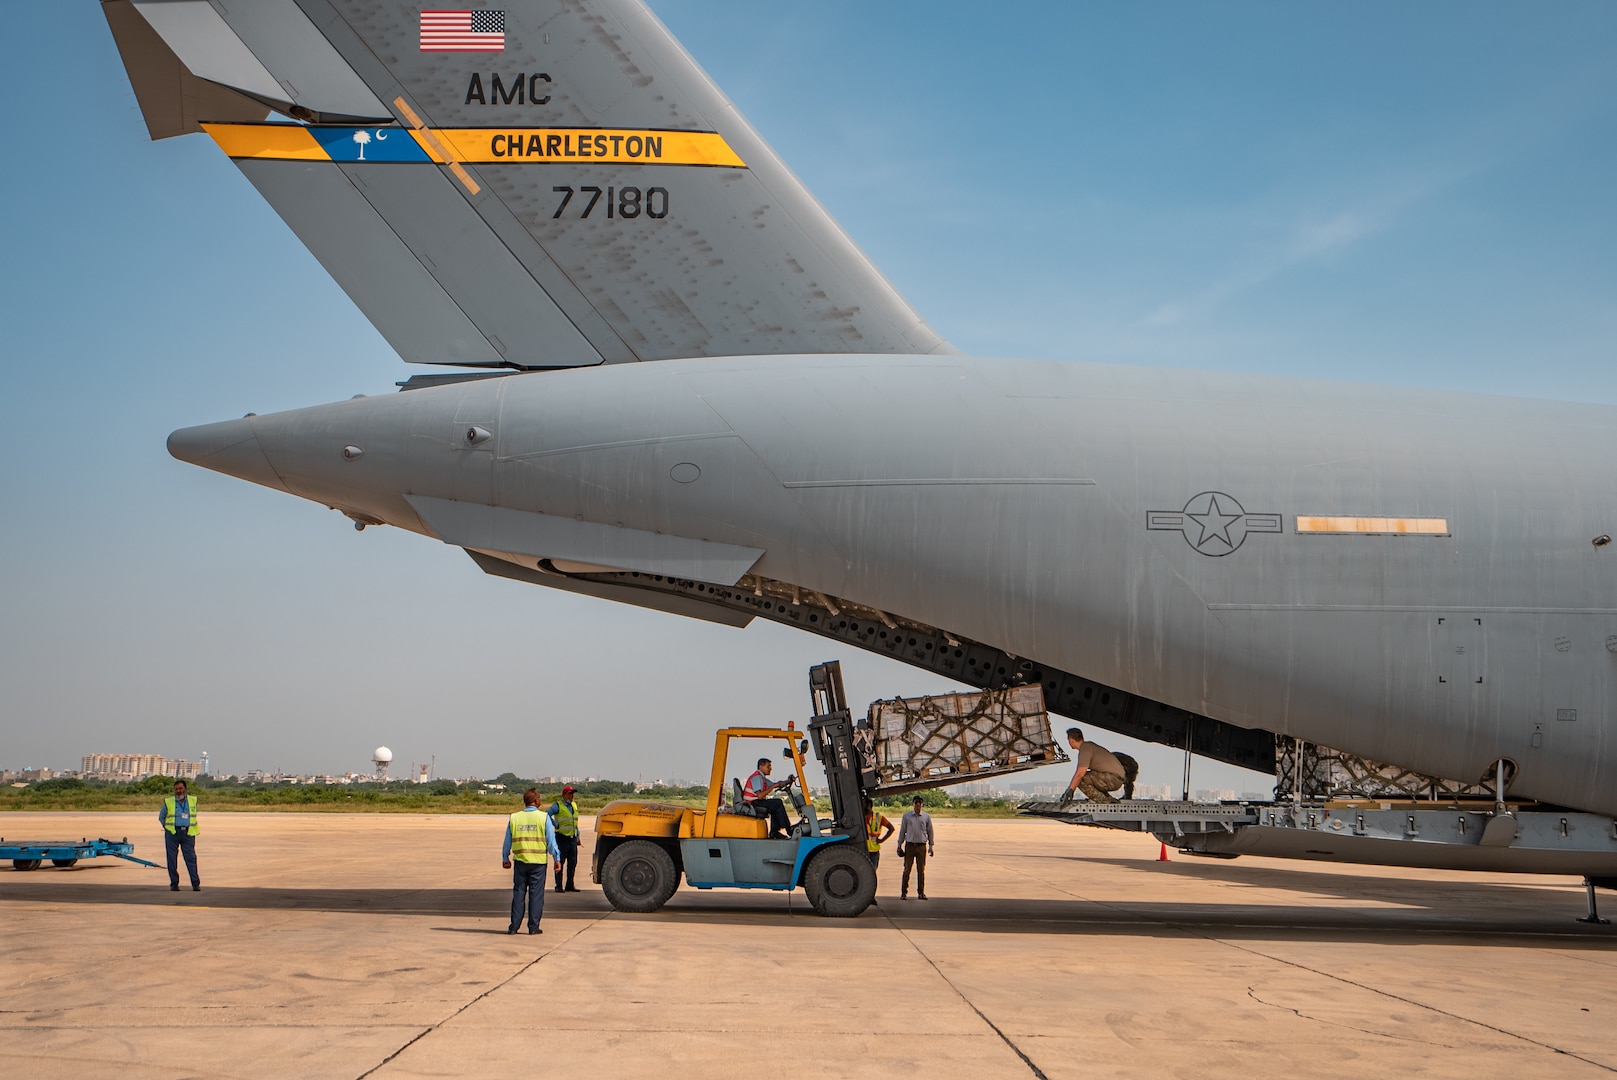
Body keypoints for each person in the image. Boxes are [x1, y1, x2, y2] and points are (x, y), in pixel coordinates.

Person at [502, 788, 560, 934]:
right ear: (535, 800)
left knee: (518, 894)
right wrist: (556, 858)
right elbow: (551, 842)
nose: (541, 800)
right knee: (536, 895)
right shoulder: (543, 817)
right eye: (539, 797)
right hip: (538, 863)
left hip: (520, 862)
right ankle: (533, 927)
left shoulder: (515, 817)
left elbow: (507, 841)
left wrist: (505, 857)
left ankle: (514, 927)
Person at [1060, 727, 1128, 804]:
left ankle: (1105, 801)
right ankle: (1109, 800)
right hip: (1116, 778)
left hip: (1113, 779)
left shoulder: (1085, 750)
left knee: (1081, 780)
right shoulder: (1088, 746)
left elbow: (1080, 774)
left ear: (1071, 740)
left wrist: (1070, 791)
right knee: (1090, 776)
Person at [158, 779, 201, 892]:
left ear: (185, 789)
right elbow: (161, 817)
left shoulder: (193, 800)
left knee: (191, 858)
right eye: (176, 789)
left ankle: (195, 883)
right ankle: (174, 884)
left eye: (180, 788)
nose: (178, 791)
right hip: (172, 833)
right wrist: (168, 828)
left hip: (188, 833)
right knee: (171, 859)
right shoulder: (169, 802)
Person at [743, 757, 792, 839]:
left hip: (756, 802)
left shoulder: (762, 778)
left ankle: (774, 832)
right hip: (752, 803)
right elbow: (760, 795)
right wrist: (773, 786)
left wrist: (788, 781)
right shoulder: (756, 777)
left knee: (774, 806)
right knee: (777, 802)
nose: (770, 769)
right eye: (768, 766)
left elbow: (777, 784)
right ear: (761, 767)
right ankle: (789, 829)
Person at [897, 795, 935, 899]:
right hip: (910, 846)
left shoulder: (926, 817)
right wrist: (899, 845)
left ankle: (921, 893)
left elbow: (930, 831)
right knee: (907, 869)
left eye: (919, 803)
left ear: (922, 805)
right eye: (916, 803)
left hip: (921, 846)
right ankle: (904, 892)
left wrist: (931, 846)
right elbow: (902, 831)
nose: (918, 805)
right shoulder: (907, 816)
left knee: (921, 871)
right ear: (913, 804)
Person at [547, 785, 582, 892]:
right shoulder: (558, 805)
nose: (572, 796)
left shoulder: (574, 806)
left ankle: (569, 885)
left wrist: (578, 836)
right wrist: (554, 823)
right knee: (560, 862)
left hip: (572, 838)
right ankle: (558, 886)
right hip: (562, 838)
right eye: (570, 793)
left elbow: (574, 822)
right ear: (564, 795)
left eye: (573, 793)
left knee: (573, 863)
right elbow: (546, 814)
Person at [863, 798, 895, 899]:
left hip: (872, 851)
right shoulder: (861, 817)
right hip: (864, 850)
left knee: (871, 875)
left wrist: (882, 840)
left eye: (863, 804)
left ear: (868, 806)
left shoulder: (878, 818)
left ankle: (871, 896)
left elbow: (891, 828)